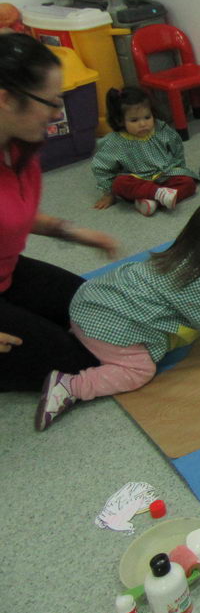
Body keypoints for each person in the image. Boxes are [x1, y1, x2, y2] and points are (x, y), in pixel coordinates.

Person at [36, 191, 200, 430]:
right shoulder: (197, 280)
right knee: (140, 371)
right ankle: (70, 386)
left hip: (93, 299)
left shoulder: (190, 252)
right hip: (107, 324)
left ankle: (78, 338)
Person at [0, 33, 118, 392]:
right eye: (49, 102)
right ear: (5, 99)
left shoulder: (20, 144)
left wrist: (74, 232)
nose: (57, 113)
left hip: (8, 272)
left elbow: (9, 216)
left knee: (103, 318)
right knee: (78, 363)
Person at [91, 86, 198, 216]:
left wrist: (179, 168)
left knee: (189, 184)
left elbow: (177, 149)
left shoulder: (161, 129)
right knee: (119, 184)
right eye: (134, 120)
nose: (142, 124)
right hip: (138, 179)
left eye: (147, 117)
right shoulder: (115, 142)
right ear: (120, 121)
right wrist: (108, 193)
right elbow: (101, 168)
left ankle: (153, 202)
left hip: (165, 174)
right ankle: (157, 194)